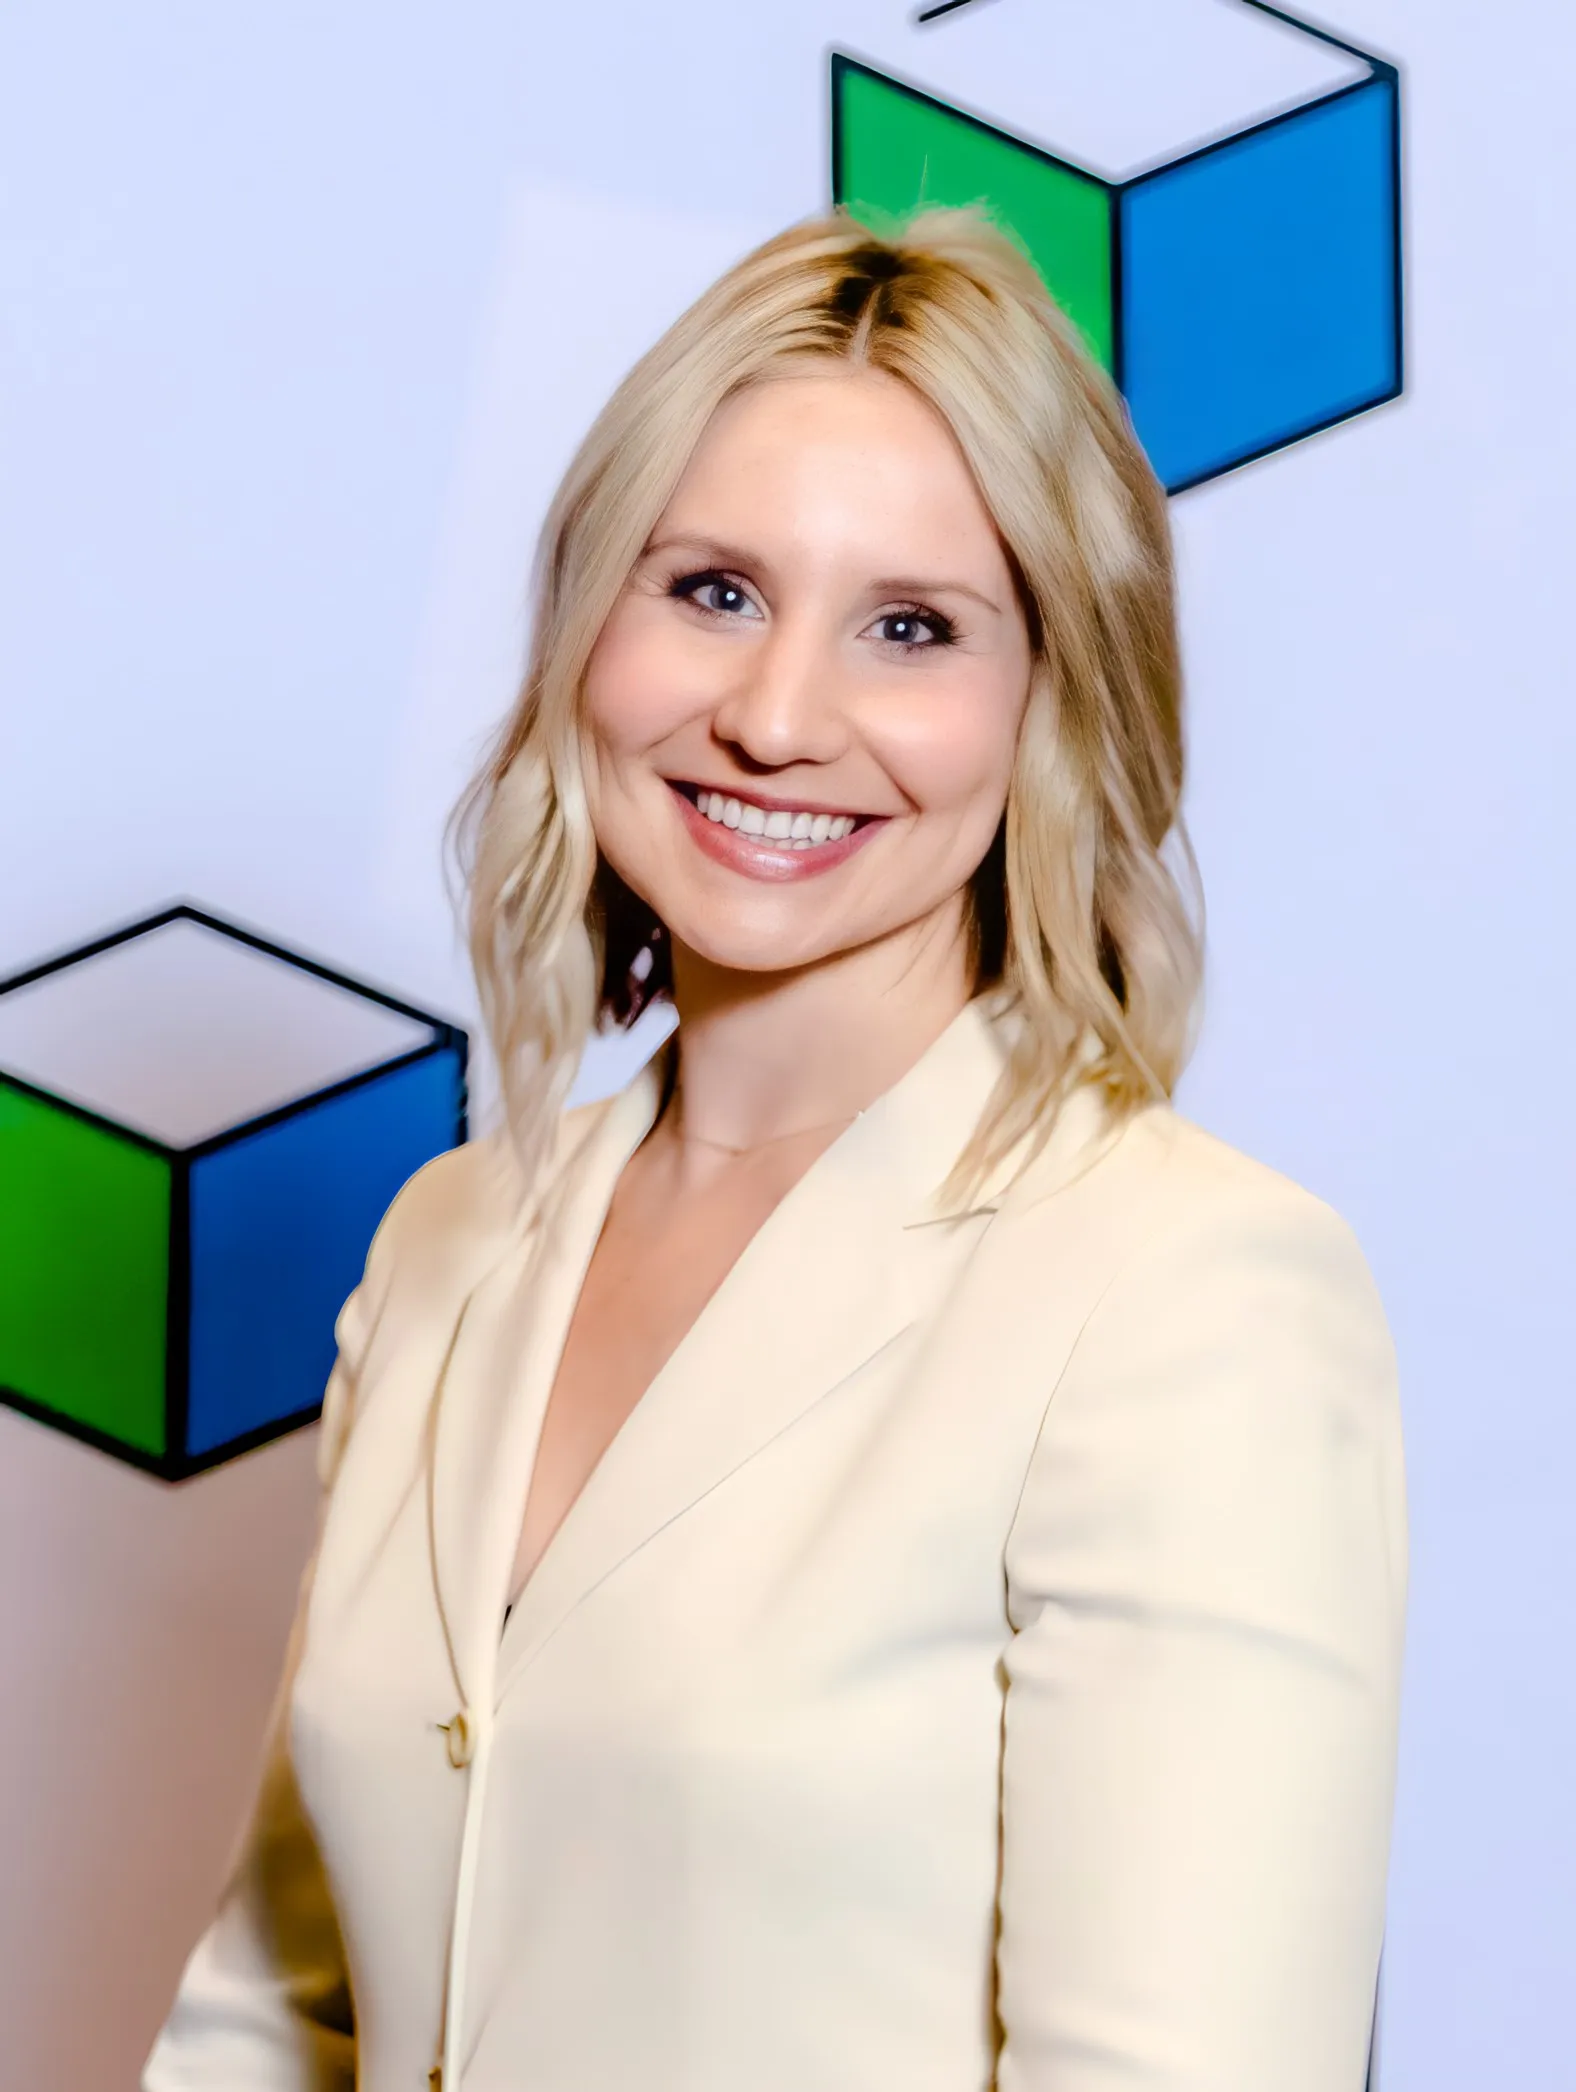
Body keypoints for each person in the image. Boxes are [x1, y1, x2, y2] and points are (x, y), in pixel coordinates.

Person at [142, 206, 1408, 2092]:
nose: (777, 714)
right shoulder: (451, 1238)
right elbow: (281, 2010)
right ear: (589, 622)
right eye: (714, 589)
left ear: (1049, 703)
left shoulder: (1182, 1292)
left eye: (911, 628)